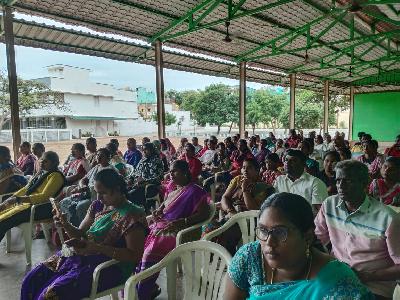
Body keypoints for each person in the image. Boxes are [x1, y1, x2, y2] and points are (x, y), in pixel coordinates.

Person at [21, 169, 148, 300]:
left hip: (108, 268)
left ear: (117, 189)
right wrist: (65, 224)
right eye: (97, 192)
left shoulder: (132, 215)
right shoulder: (98, 206)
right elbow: (80, 234)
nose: (98, 197)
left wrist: (98, 248)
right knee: (32, 280)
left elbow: (134, 256)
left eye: (103, 193)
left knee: (52, 294)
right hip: (80, 257)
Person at [225, 192, 373, 300]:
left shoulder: (339, 283)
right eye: (263, 230)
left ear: (307, 236)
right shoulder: (250, 257)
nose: (269, 242)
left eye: (280, 232)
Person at [315, 160, 400, 299]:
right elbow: (317, 239)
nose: (340, 186)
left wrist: (366, 276)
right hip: (337, 279)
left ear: (364, 184)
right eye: (338, 181)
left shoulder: (388, 219)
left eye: (347, 181)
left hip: (373, 287)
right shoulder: (330, 205)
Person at [136, 160, 210, 299]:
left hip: (178, 230)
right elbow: (165, 205)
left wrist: (182, 222)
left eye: (174, 171)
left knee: (150, 253)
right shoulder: (172, 187)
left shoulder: (195, 191)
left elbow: (204, 214)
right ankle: (144, 287)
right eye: (170, 171)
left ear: (185, 173)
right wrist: (159, 210)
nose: (171, 174)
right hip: (161, 225)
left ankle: (142, 292)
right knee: (138, 244)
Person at [205, 159, 274, 254]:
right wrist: (230, 211)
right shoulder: (237, 180)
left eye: (249, 168)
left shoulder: (264, 187)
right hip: (230, 213)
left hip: (248, 219)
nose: (245, 170)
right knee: (208, 224)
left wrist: (245, 190)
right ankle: (209, 253)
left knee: (229, 230)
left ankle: (226, 258)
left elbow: (254, 209)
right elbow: (225, 197)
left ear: (257, 171)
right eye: (243, 167)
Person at [0, 151, 65, 242]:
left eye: (45, 161)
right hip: (29, 205)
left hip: (42, 208)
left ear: (54, 163)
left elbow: (44, 197)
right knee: (2, 214)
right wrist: (11, 199)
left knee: (3, 222)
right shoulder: (41, 174)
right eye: (41, 160)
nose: (42, 162)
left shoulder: (56, 176)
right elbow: (26, 189)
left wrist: (18, 200)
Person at [59, 148, 115, 226]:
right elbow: (83, 179)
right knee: (64, 202)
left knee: (80, 206)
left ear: (108, 158)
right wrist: (82, 186)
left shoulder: (110, 170)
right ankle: (70, 225)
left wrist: (86, 189)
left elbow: (105, 188)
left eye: (101, 156)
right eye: (97, 155)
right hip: (86, 193)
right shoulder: (96, 167)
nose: (98, 157)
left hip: (96, 197)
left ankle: (83, 228)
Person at [128, 142, 164, 213]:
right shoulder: (142, 160)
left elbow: (158, 177)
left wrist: (145, 182)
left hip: (150, 186)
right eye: (143, 150)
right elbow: (135, 171)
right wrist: (131, 178)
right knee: (124, 192)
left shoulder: (157, 161)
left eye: (146, 150)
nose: (144, 152)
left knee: (130, 195)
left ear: (152, 150)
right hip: (138, 184)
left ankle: (139, 212)